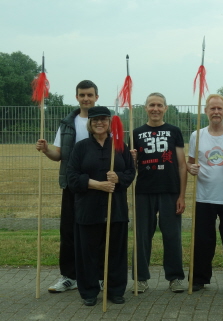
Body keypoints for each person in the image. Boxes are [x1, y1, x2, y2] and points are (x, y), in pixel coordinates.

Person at [66, 106, 135, 306]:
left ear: (109, 123)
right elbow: (72, 177)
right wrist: (97, 185)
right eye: (95, 120)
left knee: (116, 250)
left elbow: (131, 172)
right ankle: (89, 291)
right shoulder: (81, 147)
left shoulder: (120, 146)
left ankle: (115, 289)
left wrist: (118, 177)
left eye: (104, 119)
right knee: (87, 251)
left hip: (116, 209)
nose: (99, 123)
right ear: (90, 122)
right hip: (88, 209)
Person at [35, 80, 99, 293]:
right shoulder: (67, 123)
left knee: (96, 232)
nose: (86, 98)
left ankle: (97, 276)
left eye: (89, 95)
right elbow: (59, 155)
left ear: (96, 97)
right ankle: (69, 277)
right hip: (72, 185)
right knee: (69, 232)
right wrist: (46, 150)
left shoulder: (103, 121)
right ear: (77, 97)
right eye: (82, 95)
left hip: (97, 186)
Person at [132, 92, 187, 293]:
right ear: (145, 108)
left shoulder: (174, 131)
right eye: (151, 105)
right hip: (144, 192)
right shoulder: (136, 133)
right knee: (142, 236)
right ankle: (140, 278)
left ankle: (175, 278)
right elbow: (131, 167)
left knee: (172, 236)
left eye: (159, 105)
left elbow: (182, 166)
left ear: (165, 108)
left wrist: (182, 195)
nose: (155, 108)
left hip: (170, 191)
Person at [186, 94, 223, 291]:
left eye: (219, 108)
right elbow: (191, 162)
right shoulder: (197, 136)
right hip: (204, 196)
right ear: (206, 111)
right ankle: (199, 279)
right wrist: (190, 168)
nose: (216, 112)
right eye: (212, 108)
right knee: (203, 240)